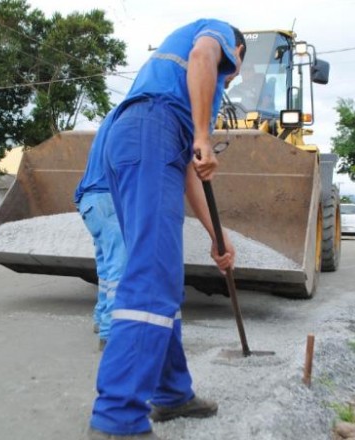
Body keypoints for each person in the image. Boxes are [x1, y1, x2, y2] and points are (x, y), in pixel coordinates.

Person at [87, 19, 246, 440]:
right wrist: (202, 133)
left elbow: (192, 173)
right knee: (153, 276)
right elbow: (202, 57)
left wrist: (218, 237)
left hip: (135, 140)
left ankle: (172, 393)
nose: (229, 77)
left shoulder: (176, 93)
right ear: (237, 50)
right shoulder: (215, 34)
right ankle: (117, 417)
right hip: (149, 134)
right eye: (234, 69)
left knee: (160, 272)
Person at [74, 111, 125, 351]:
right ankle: (110, 334)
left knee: (106, 267)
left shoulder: (111, 120)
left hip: (89, 201)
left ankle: (99, 318)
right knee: (119, 266)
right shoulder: (131, 119)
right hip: (107, 199)